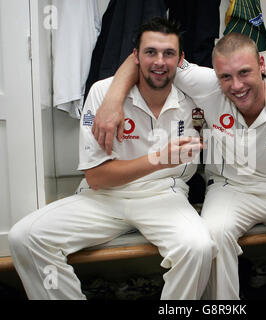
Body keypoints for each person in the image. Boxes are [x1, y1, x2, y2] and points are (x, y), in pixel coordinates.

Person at [94, 32, 266, 300]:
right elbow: (148, 59)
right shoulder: (207, 84)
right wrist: (112, 99)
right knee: (214, 235)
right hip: (230, 187)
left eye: (244, 72)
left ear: (261, 65)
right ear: (216, 76)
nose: (236, 85)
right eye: (225, 77)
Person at [7, 17, 217, 300]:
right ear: (135, 57)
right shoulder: (103, 94)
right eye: (150, 52)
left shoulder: (195, 93)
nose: (159, 61)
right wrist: (159, 159)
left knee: (199, 247)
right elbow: (96, 178)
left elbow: (246, 80)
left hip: (164, 196)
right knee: (24, 237)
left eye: (168, 53)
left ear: (181, 59)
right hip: (104, 198)